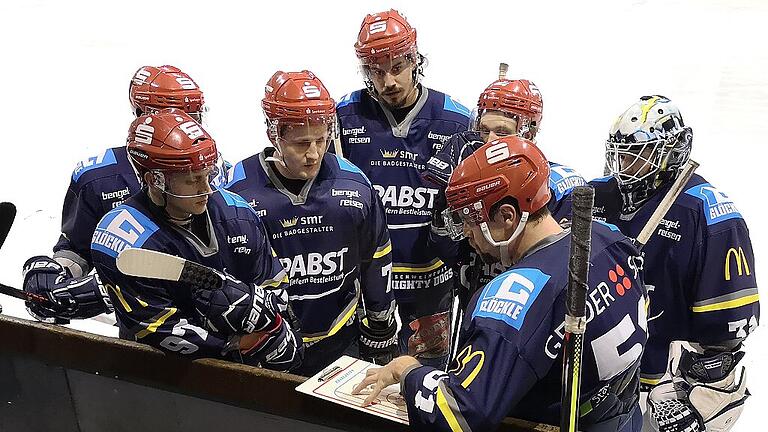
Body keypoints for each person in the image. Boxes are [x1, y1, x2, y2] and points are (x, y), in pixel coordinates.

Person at [353, 136, 647, 431]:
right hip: (623, 414)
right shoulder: (608, 237)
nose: (466, 232)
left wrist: (410, 372)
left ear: (507, 216)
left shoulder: (517, 293)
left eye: (470, 218)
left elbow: (458, 415)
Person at [590, 95, 758, 431]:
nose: (625, 168)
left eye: (638, 157)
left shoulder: (709, 215)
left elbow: (725, 336)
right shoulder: (594, 195)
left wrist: (702, 402)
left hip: (659, 394)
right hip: (591, 387)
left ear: (674, 152)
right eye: (620, 156)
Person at [87, 109, 301, 371]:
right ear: (154, 179)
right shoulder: (122, 238)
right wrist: (235, 343)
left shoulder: (238, 212)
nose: (207, 189)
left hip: (245, 374)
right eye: (192, 181)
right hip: (164, 379)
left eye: (207, 175)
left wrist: (265, 313)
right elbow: (157, 330)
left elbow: (275, 284)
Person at [23, 65, 227, 324]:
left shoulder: (213, 174)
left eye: (192, 116)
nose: (183, 127)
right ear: (142, 115)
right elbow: (79, 249)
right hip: (141, 324)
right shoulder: (97, 178)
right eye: (175, 115)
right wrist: (55, 277)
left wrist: (108, 287)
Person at [225, 70, 397, 376]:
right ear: (273, 134)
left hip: (341, 342)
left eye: (321, 139)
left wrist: (380, 320)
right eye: (302, 143)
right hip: (270, 344)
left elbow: (376, 255)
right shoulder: (237, 192)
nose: (314, 153)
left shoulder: (355, 184)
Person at [336, 9, 471, 368]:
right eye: (377, 71)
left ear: (415, 59)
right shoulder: (344, 115)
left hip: (431, 284)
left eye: (397, 67)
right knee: (363, 387)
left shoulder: (456, 118)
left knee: (423, 387)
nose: (388, 82)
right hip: (368, 285)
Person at [422, 73, 586, 315]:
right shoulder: (470, 177)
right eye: (484, 131)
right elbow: (446, 253)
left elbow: (561, 271)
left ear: (528, 133)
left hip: (528, 319)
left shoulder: (560, 186)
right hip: (475, 309)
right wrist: (445, 201)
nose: (489, 142)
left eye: (501, 131)